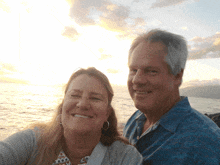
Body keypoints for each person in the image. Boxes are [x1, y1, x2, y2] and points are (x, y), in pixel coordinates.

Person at [0, 67, 143, 165]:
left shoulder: (124, 157)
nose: (82, 104)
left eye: (95, 98)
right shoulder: (33, 142)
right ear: (62, 107)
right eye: (75, 95)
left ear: (107, 113)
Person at [123, 29, 220, 164]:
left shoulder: (206, 142)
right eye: (133, 70)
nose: (137, 80)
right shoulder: (135, 120)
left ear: (177, 76)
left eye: (151, 71)